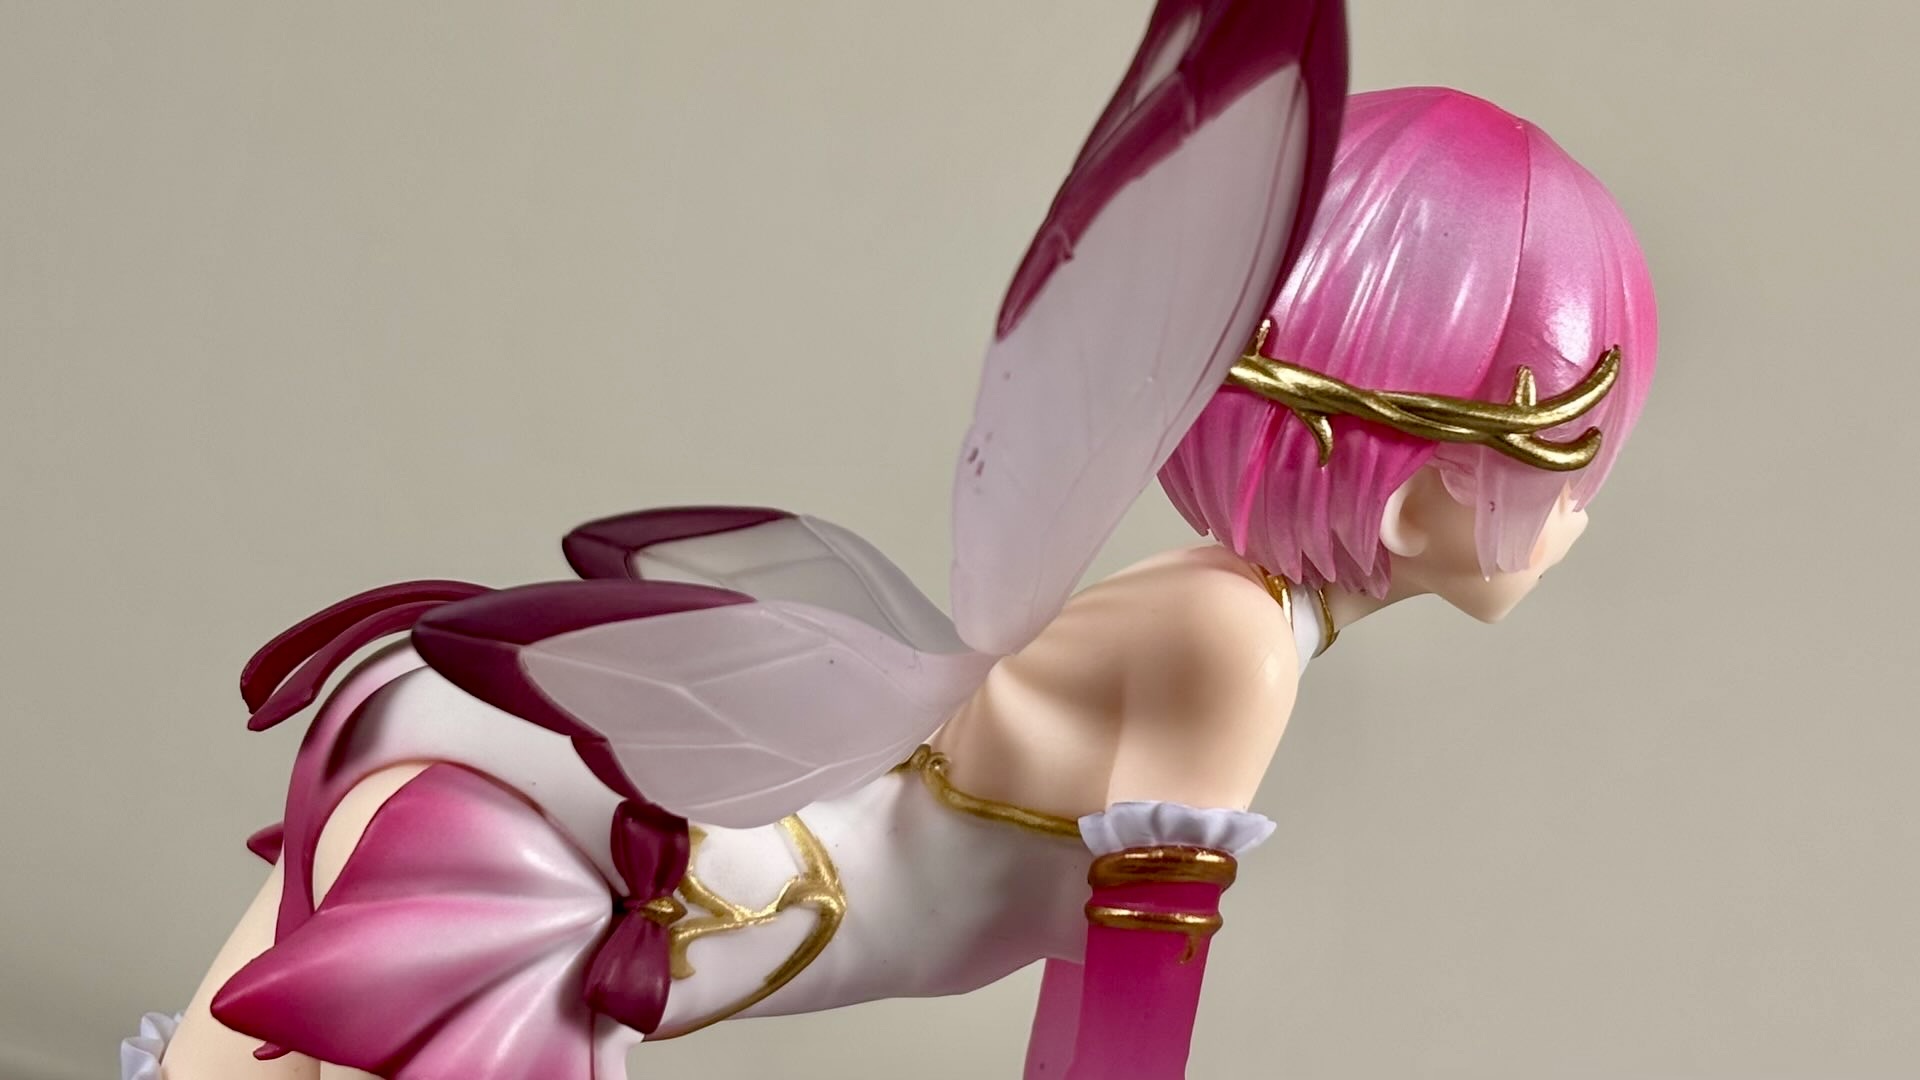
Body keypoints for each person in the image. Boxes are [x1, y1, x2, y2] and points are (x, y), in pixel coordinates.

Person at [142, 61, 1655, 1080]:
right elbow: (1134, 974)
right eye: (1559, 479)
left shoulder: (1219, 599)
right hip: (761, 898)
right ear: (1415, 502)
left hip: (797, 860)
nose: (1574, 518)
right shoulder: (1240, 645)